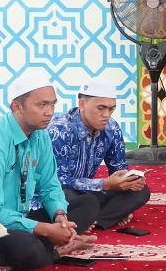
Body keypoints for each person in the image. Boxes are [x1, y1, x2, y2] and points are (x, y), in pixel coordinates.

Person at [0, 69, 88, 271]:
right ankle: (58, 249)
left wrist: (60, 217)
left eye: (52, 104)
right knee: (27, 248)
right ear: (17, 106)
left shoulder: (40, 134)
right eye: (42, 105)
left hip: (18, 217)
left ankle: (54, 240)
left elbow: (50, 184)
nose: (50, 112)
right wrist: (45, 230)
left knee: (87, 203)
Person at [47, 76, 152, 236]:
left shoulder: (112, 128)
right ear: (82, 104)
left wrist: (130, 180)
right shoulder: (59, 130)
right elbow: (57, 181)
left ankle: (90, 220)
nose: (106, 115)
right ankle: (96, 216)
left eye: (111, 109)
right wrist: (103, 184)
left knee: (141, 192)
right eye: (101, 108)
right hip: (63, 192)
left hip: (90, 192)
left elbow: (119, 168)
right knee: (73, 198)